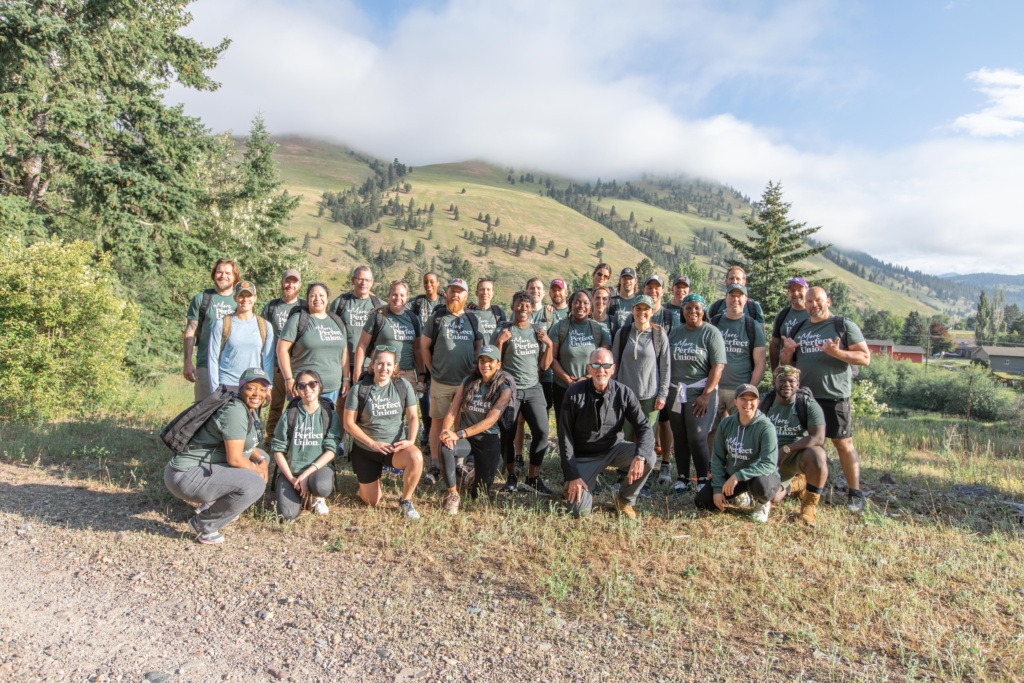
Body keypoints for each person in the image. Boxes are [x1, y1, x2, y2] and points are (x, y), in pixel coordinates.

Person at [780, 286, 871, 514]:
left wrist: (837, 353)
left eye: (818, 300)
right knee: (809, 445)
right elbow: (786, 363)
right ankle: (806, 486)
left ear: (827, 301)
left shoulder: (843, 325)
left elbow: (864, 357)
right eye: (809, 302)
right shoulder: (800, 328)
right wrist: (787, 353)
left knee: (843, 443)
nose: (813, 305)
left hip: (834, 396)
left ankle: (855, 494)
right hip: (805, 398)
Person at [164, 367, 271, 544]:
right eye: (251, 387)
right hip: (185, 475)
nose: (256, 393)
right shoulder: (235, 412)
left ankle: (219, 505)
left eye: (262, 389)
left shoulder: (249, 409)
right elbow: (235, 458)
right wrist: (256, 470)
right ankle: (204, 525)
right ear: (241, 388)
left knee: (264, 457)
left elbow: (247, 444)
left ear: (267, 392)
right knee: (254, 483)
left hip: (204, 467)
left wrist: (260, 461)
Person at [560, 349, 656, 520]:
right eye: (596, 365)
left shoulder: (624, 393)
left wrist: (640, 456)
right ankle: (572, 484)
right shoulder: (574, 393)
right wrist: (572, 475)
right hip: (585, 456)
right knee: (578, 512)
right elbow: (564, 436)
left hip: (614, 449)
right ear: (589, 368)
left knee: (649, 457)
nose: (601, 370)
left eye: (606, 365)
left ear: (613, 368)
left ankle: (624, 500)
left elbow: (644, 427)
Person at [342, 346, 424, 520]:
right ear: (372, 364)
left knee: (416, 457)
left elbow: (413, 417)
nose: (384, 368)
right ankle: (367, 485)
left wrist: (410, 440)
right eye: (380, 364)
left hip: (394, 448)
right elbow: (348, 423)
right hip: (367, 450)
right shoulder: (359, 389)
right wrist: (372, 443)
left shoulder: (403, 386)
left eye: (388, 364)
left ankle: (405, 501)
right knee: (372, 501)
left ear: (395, 367)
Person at [437, 345, 515, 514]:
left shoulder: (505, 388)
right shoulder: (468, 381)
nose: (485, 365)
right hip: (465, 438)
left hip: (488, 438)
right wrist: (446, 432)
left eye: (490, 361)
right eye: (482, 360)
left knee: (478, 495)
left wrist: (458, 433)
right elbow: (453, 408)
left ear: (498, 364)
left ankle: (473, 475)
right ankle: (453, 495)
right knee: (444, 446)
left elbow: (490, 421)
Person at [421, 278, 484, 485]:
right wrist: (432, 371)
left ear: (466, 297)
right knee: (437, 423)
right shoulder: (438, 317)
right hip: (440, 381)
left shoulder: (472, 319)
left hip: (464, 383)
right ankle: (435, 464)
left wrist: (474, 367)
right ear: (446, 293)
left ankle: (458, 463)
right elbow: (424, 347)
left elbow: (478, 346)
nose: (455, 294)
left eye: (459, 292)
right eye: (452, 291)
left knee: (460, 424)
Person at [493, 290, 554, 495]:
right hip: (510, 389)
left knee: (542, 432)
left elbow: (544, 366)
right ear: (513, 306)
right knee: (507, 433)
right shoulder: (504, 330)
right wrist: (500, 342)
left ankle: (533, 477)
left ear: (531, 310)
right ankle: (511, 476)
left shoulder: (537, 331)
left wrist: (550, 344)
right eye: (519, 304)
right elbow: (494, 363)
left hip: (533, 387)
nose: (523, 308)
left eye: (527, 306)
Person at [696, 384, 782, 523]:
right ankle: (741, 494)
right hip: (733, 474)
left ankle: (762, 503)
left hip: (758, 476)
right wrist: (718, 489)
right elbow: (717, 458)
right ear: (735, 401)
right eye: (743, 398)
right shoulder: (726, 424)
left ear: (758, 402)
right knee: (702, 501)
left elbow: (769, 464)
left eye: (752, 399)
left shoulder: (766, 427)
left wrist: (738, 476)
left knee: (763, 487)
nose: (748, 403)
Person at [665, 294, 725, 494]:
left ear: (704, 310)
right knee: (680, 435)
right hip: (676, 392)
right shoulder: (675, 333)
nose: (692, 311)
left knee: (698, 436)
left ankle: (702, 478)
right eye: (688, 308)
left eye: (697, 308)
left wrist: (706, 395)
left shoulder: (711, 332)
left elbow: (718, 366)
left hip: (700, 392)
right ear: (682, 311)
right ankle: (682, 478)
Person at [760, 366, 828, 525]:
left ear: (798, 384)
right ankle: (798, 483)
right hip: (770, 458)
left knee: (818, 455)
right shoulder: (764, 403)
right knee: (773, 497)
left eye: (791, 381)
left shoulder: (808, 405)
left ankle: (809, 506)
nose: (787, 384)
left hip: (795, 456)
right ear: (774, 382)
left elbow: (818, 437)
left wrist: (787, 449)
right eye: (782, 380)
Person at [270, 369, 341, 519]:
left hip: (317, 470)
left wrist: (306, 474)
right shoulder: (290, 414)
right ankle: (301, 494)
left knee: (321, 487)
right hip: (292, 472)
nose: (307, 389)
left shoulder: (329, 414)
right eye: (301, 386)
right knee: (288, 515)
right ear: (296, 390)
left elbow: (331, 450)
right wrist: (292, 478)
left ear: (319, 386)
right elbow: (277, 449)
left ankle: (316, 496)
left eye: (312, 384)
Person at [550, 289, 612, 433]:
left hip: (591, 387)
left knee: (588, 428)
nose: (581, 306)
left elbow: (604, 361)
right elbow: (551, 358)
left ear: (590, 306)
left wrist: (585, 378)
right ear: (571, 304)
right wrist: (569, 380)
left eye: (585, 302)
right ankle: (566, 455)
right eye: (577, 302)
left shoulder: (599, 329)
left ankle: (585, 455)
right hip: (563, 387)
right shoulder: (560, 327)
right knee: (564, 428)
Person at [277, 282, 348, 404]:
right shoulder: (298, 320)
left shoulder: (337, 322)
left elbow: (344, 352)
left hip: (331, 390)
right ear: (307, 299)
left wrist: (346, 378)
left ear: (327, 298)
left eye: (321, 295)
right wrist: (288, 379)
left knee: (326, 422)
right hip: (305, 389)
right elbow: (281, 350)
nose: (317, 299)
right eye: (313, 296)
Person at [611, 295, 669, 442]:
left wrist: (662, 394)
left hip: (650, 396)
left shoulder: (659, 335)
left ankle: (646, 465)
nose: (642, 312)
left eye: (646, 309)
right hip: (625, 395)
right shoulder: (622, 334)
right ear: (632, 310)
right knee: (626, 437)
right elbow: (614, 364)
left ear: (652, 312)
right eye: (638, 308)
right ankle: (625, 466)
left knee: (647, 437)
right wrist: (613, 390)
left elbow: (665, 367)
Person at [351, 279, 424, 391]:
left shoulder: (413, 319)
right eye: (394, 294)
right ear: (389, 295)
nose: (398, 298)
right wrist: (357, 372)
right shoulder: (378, 317)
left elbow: (417, 350)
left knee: (407, 408)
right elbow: (362, 345)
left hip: (407, 374)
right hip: (382, 373)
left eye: (402, 295)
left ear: (407, 298)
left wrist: (422, 374)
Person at [709, 283, 767, 427]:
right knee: (710, 432)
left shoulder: (752, 326)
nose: (735, 299)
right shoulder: (714, 323)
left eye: (739, 296)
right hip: (713, 389)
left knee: (740, 431)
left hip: (740, 390)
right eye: (732, 295)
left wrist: (749, 390)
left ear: (745, 299)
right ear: (726, 298)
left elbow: (760, 362)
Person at [183, 258, 240, 402]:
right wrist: (187, 362)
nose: (223, 276)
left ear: (235, 277)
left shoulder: (241, 301)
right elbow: (190, 331)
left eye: (228, 273)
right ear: (214, 274)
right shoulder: (201, 299)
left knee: (228, 411)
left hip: (232, 367)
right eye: (219, 272)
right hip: (205, 364)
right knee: (201, 410)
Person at [262, 269, 307, 445]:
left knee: (300, 404)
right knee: (275, 405)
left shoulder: (304, 307)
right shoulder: (271, 307)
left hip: (299, 364)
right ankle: (271, 439)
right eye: (287, 281)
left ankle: (296, 439)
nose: (290, 285)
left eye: (294, 282)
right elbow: (262, 335)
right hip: (275, 364)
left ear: (299, 285)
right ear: (282, 283)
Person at [208, 281, 275, 392]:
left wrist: (268, 387)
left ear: (255, 298)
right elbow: (212, 358)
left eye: (249, 296)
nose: (245, 300)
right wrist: (215, 389)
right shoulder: (222, 324)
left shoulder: (265, 326)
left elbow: (268, 360)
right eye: (241, 296)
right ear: (235, 298)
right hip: (227, 385)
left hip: (254, 385)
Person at [328, 266, 383, 392]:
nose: (363, 283)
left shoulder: (379, 305)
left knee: (366, 404)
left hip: (369, 364)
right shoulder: (341, 303)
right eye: (360, 279)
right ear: (353, 280)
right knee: (343, 402)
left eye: (367, 280)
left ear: (372, 282)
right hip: (342, 363)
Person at [410, 272, 443, 451]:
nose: (428, 284)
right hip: (420, 354)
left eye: (432, 281)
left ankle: (438, 432)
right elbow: (398, 304)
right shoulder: (417, 302)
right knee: (423, 392)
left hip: (439, 355)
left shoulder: (444, 302)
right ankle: (427, 429)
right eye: (425, 281)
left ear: (438, 284)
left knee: (437, 393)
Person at [769, 277, 811, 371]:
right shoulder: (783, 315)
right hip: (788, 373)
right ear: (788, 294)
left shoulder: (814, 313)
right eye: (792, 291)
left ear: (807, 291)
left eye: (800, 290)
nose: (796, 294)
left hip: (810, 371)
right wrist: (775, 373)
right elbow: (774, 345)